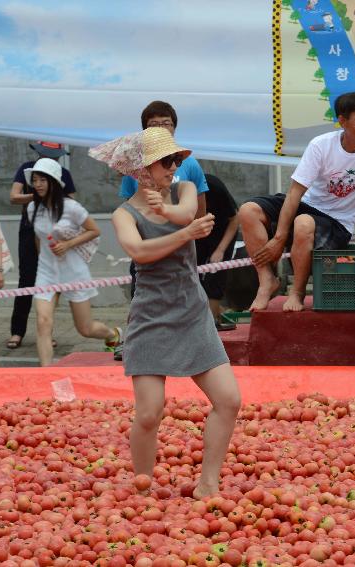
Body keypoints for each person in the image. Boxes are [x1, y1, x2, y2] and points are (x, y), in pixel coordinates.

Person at [90, 127, 241, 498]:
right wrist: (185, 233)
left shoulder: (185, 191)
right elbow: (140, 253)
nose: (174, 167)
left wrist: (173, 215)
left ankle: (208, 482)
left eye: (175, 160)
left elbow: (187, 212)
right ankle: (142, 489)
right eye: (165, 161)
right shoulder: (122, 215)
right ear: (142, 169)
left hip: (192, 311)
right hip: (150, 316)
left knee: (229, 400)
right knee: (148, 413)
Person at [238, 91, 355, 312]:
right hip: (310, 206)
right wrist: (279, 237)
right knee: (248, 211)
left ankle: (297, 292)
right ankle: (267, 281)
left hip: (338, 222)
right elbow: (295, 193)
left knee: (304, 223)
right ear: (342, 121)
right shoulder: (321, 145)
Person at [113, 100, 210, 360]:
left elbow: (193, 211)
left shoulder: (188, 174)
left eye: (165, 123)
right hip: (152, 285)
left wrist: (170, 214)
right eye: (153, 124)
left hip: (186, 280)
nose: (174, 167)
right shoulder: (126, 208)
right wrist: (152, 214)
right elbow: (134, 233)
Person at [25, 158, 122, 366]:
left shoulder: (72, 207)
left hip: (74, 271)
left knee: (85, 329)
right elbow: (38, 238)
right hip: (46, 272)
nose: (38, 184)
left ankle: (113, 334)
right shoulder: (33, 208)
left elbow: (94, 231)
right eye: (35, 180)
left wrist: (68, 245)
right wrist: (44, 259)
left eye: (43, 179)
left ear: (53, 181)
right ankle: (46, 374)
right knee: (43, 322)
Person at [6, 141, 76, 350]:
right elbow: (13, 196)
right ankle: (17, 332)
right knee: (26, 280)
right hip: (29, 231)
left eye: (55, 155)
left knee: (51, 284)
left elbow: (72, 203)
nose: (51, 158)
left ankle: (46, 333)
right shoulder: (27, 170)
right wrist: (36, 195)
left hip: (54, 234)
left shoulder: (64, 173)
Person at [197, 174, 240, 331]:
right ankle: (200, 317)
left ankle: (212, 322)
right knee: (193, 272)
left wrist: (220, 250)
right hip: (197, 230)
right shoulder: (179, 191)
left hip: (223, 230)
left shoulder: (215, 186)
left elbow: (235, 219)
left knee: (216, 273)